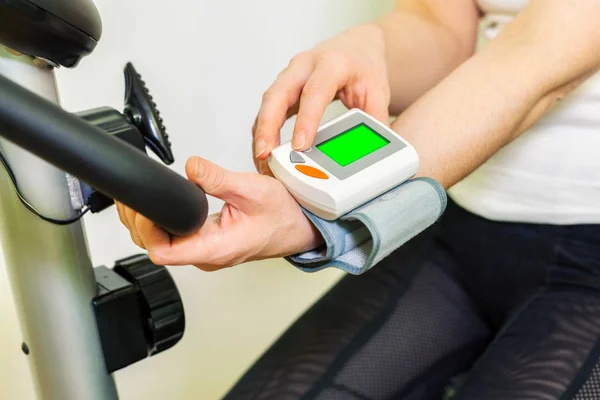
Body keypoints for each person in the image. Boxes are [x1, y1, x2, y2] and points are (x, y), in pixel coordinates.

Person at [116, 0, 600, 398]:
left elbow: (543, 56)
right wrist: (371, 47)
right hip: (457, 223)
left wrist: (317, 213)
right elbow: (439, 23)